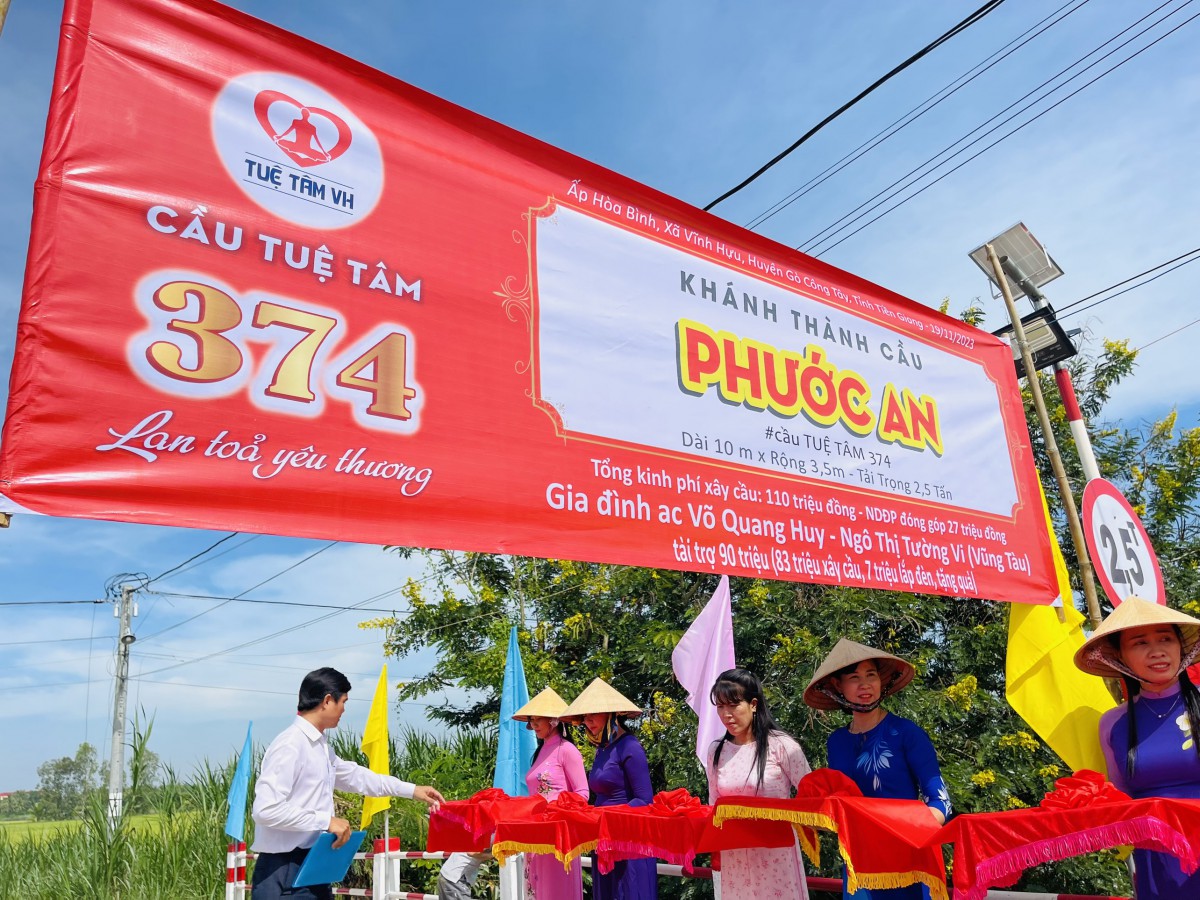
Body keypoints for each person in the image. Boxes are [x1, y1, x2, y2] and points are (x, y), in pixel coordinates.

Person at [251, 667, 445, 900]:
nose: (344, 709)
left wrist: (412, 790)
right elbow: (266, 810)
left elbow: (357, 777)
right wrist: (326, 821)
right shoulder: (290, 745)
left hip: (314, 865)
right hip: (284, 869)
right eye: (343, 702)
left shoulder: (320, 747)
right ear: (327, 701)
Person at [804, 639, 951, 900]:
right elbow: (841, 805)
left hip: (909, 861)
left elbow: (941, 801)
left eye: (871, 675)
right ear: (838, 686)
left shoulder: (906, 733)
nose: (865, 684)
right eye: (854, 677)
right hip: (859, 863)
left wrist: (906, 830)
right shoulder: (836, 742)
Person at [1074, 596, 1200, 899]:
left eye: (1166, 639)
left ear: (1181, 647)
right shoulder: (1112, 723)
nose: (1157, 651)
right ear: (1120, 657)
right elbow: (1120, 798)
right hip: (1156, 861)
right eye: (1140, 643)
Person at [706, 668, 812, 900]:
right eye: (720, 706)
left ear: (753, 704)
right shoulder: (716, 751)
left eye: (733, 705)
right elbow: (713, 806)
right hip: (734, 857)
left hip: (776, 856)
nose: (726, 714)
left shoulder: (782, 746)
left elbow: (813, 795)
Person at [561, 678, 657, 900]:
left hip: (629, 840)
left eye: (593, 714)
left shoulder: (630, 746)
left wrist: (609, 820)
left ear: (611, 714)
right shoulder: (602, 749)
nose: (588, 721)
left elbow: (645, 800)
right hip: (604, 840)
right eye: (584, 716)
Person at [513, 687, 589, 899]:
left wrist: (558, 812)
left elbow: (582, 793)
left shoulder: (567, 750)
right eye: (532, 719)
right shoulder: (540, 752)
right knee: (536, 888)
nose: (534, 724)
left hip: (558, 835)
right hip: (536, 833)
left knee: (556, 889)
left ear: (554, 720)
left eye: (538, 719)